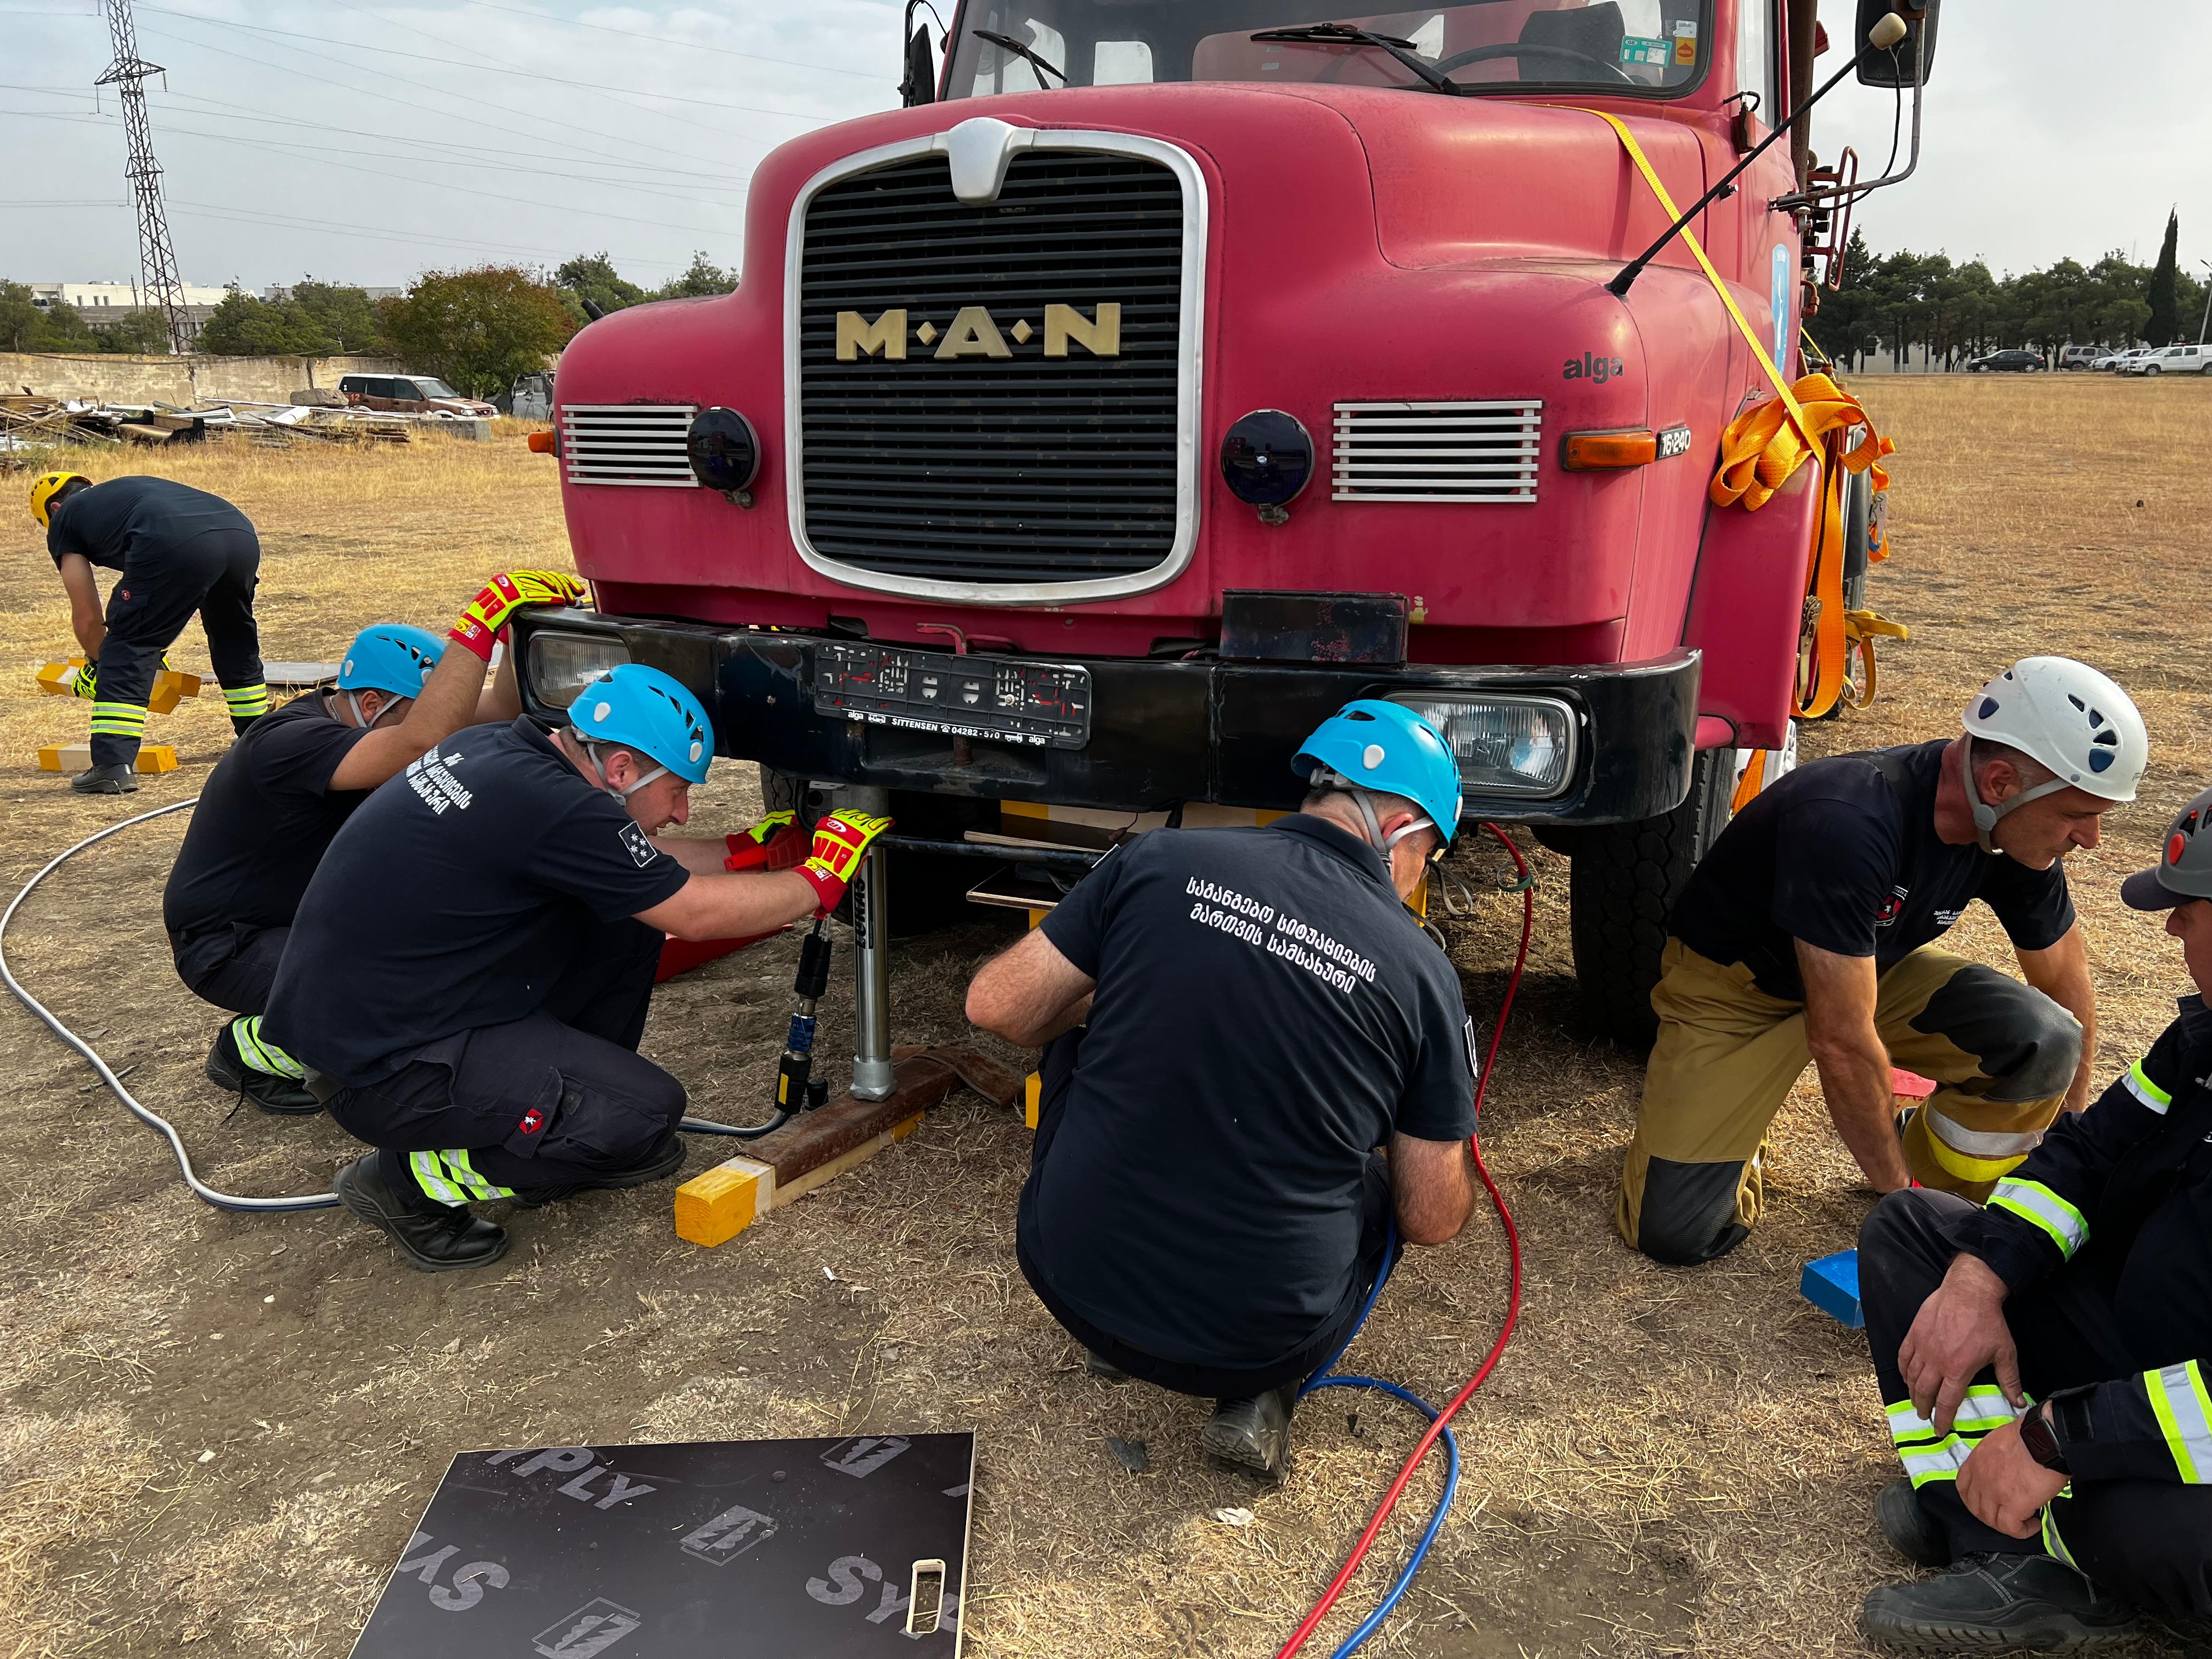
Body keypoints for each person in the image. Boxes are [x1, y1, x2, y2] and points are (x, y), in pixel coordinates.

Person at [965, 701, 1479, 1479]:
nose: (1417, 878)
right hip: (1255, 1343)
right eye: (1428, 857)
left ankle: (1121, 1328)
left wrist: (1122, 1000)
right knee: (1386, 1188)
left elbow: (997, 1007)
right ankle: (1261, 1394)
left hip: (1069, 1279)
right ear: (1403, 827)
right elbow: (1432, 1219)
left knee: (1068, 1031)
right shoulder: (1424, 976)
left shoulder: (1158, 858)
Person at [260, 663, 891, 1272]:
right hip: (380, 1069)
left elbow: (634, 865)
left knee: (627, 920)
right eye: (678, 791)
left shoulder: (511, 756)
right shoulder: (558, 807)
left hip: (386, 1012)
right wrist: (819, 878)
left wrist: (746, 853)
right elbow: (695, 914)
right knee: (644, 1118)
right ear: (621, 769)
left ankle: (557, 1123)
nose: (681, 812)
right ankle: (404, 1180)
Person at [1616, 658, 2148, 1266]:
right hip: (1738, 995)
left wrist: (2070, 1134)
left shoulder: (2012, 830)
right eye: (2078, 816)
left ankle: (1930, 1166)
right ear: (2000, 782)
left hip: (1868, 973)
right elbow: (1840, 1039)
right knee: (1676, 1231)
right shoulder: (1849, 817)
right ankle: (1754, 1118)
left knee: (2047, 1040)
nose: (2090, 839)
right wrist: (1902, 1207)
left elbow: (2063, 980)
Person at [1853, 782, 2212, 1650]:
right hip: (2153, 1367)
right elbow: (2087, 1155)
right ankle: (1996, 1538)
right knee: (1915, 1238)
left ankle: (2067, 1541)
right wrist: (1980, 1277)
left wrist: (2062, 1438)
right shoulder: (2204, 1039)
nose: (2170, 928)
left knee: (2132, 1524)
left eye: (2190, 911)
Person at [162, 569, 584, 1114]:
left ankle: (323, 1027)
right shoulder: (290, 742)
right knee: (395, 988)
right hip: (228, 945)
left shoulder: (363, 721)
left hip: (304, 921)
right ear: (371, 703)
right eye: (421, 710)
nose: (441, 730)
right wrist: (477, 625)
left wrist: (512, 636)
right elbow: (418, 742)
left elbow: (496, 712)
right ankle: (254, 1047)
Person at [30, 470, 273, 794]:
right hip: (238, 534)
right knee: (233, 634)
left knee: (129, 643)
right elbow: (168, 599)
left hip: (175, 539)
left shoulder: (65, 519)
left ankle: (112, 765)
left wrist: (102, 664)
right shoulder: (122, 495)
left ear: (54, 509)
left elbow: (88, 618)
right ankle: (258, 735)